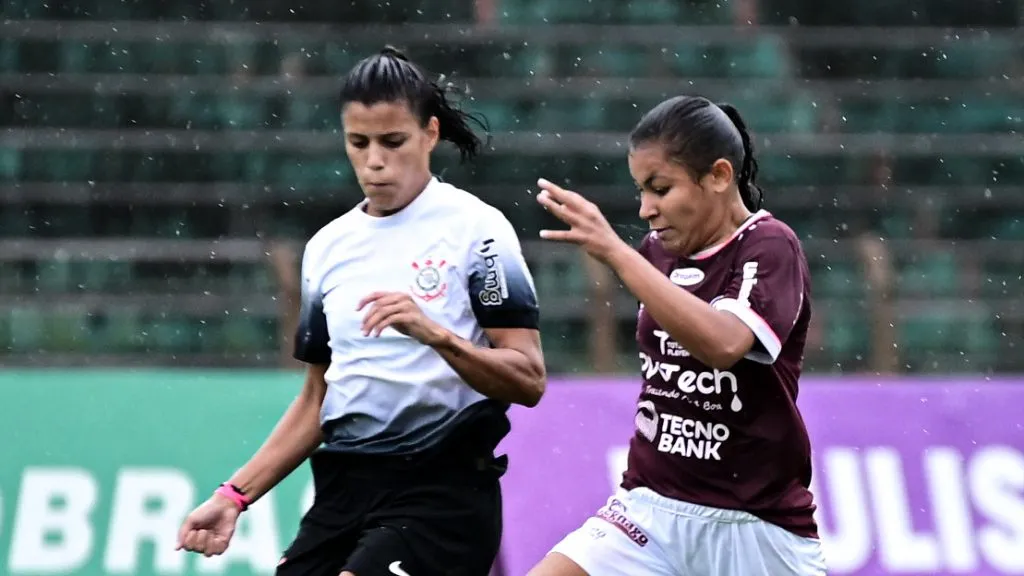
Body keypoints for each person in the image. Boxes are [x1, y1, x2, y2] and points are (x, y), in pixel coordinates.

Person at [176, 46, 547, 576]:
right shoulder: (328, 248)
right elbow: (318, 400)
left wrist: (437, 335)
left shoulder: (477, 231)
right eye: (359, 142)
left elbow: (529, 378)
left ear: (430, 134)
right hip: (345, 494)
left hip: (442, 494)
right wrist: (234, 496)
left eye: (393, 141)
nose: (375, 160)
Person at [527, 96, 827, 576]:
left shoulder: (770, 246)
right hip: (650, 508)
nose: (646, 209)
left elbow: (724, 345)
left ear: (719, 176)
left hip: (753, 526)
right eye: (640, 190)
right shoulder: (656, 251)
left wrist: (614, 254)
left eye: (660, 189)